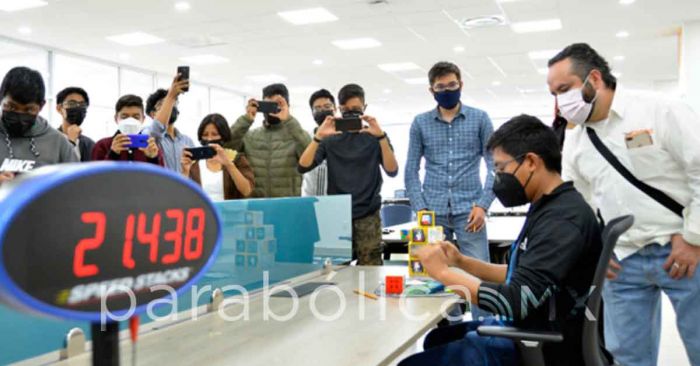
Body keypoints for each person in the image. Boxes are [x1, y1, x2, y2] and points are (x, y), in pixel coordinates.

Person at [400, 115, 603, 366]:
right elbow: (521, 274)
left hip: (540, 344)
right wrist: (461, 262)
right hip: (533, 327)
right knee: (437, 338)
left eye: (500, 168)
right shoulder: (550, 206)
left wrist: (442, 272)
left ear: (530, 162)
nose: (498, 178)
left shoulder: (562, 220)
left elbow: (513, 301)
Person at [548, 43, 700, 366]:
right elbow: (581, 207)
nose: (560, 102)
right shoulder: (575, 141)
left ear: (594, 78)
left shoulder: (658, 110)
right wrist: (595, 253)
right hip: (622, 264)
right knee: (628, 358)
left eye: (565, 89)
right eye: (554, 94)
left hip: (683, 252)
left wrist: (693, 238)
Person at [298, 84, 398, 265]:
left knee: (370, 272)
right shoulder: (330, 137)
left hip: (368, 213)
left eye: (355, 109)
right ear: (339, 109)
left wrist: (381, 136)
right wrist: (318, 136)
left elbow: (392, 170)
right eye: (345, 110)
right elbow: (303, 166)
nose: (350, 113)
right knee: (336, 274)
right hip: (337, 214)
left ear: (364, 108)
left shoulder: (374, 136)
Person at [405, 61, 496, 261]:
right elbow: (411, 171)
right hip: (432, 212)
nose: (447, 90)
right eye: (440, 87)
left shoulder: (480, 119)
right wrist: (420, 208)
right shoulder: (420, 123)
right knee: (430, 275)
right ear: (432, 90)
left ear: (461, 85)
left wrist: (483, 205)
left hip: (470, 211)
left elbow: (494, 166)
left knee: (479, 272)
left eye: (452, 85)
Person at [225, 83, 311, 197]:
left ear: (287, 105)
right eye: (267, 104)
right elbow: (227, 148)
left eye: (276, 104)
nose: (271, 110)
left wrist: (289, 119)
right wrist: (246, 119)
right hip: (255, 207)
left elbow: (310, 156)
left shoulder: (295, 134)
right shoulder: (250, 136)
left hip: (288, 206)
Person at [0, 66, 77, 185]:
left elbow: (76, 189)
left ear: (41, 106)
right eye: (11, 107)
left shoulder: (58, 143)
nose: (20, 115)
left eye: (29, 110)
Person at [181, 113, 254, 200]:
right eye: (205, 135)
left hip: (231, 212)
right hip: (204, 212)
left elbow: (246, 191)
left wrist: (228, 164)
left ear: (223, 136)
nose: (209, 139)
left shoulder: (237, 159)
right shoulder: (194, 164)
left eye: (214, 134)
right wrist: (185, 172)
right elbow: (182, 197)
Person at [92, 94, 163, 166]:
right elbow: (96, 175)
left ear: (143, 119)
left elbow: (162, 176)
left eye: (136, 117)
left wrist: (153, 159)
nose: (130, 121)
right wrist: (113, 154)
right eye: (124, 117)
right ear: (116, 118)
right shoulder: (102, 146)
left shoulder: (150, 147)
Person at [143, 74, 193, 173]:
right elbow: (157, 129)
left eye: (174, 103)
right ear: (153, 114)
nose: (171, 107)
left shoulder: (187, 141)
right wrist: (171, 96)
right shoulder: (148, 134)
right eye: (163, 104)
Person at [301, 89, 335, 197]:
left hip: (337, 200)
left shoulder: (344, 136)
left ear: (334, 108)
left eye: (327, 106)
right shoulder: (306, 138)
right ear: (312, 112)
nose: (322, 110)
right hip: (310, 199)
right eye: (317, 108)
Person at [55, 87, 94, 162]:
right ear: (59, 108)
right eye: (72, 104)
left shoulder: (89, 144)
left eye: (82, 104)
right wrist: (71, 142)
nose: (78, 107)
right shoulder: (50, 139)